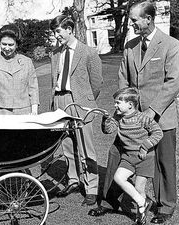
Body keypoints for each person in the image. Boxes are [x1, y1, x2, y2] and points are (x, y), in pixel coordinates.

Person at [89, 1, 179, 224]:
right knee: (117, 153)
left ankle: (165, 206)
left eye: (134, 20)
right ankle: (112, 199)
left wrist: (151, 111)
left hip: (160, 116)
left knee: (162, 162)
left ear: (148, 19)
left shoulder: (171, 45)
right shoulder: (130, 46)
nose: (131, 24)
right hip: (131, 116)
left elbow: (173, 82)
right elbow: (123, 76)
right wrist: (125, 105)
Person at [49, 15, 103, 206]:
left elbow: (96, 82)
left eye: (58, 31)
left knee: (86, 147)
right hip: (60, 101)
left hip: (80, 102)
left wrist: (86, 101)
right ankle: (73, 180)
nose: (56, 36)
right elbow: (54, 80)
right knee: (67, 145)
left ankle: (91, 188)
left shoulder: (88, 52)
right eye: (54, 32)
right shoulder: (55, 53)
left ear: (70, 29)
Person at [102, 87, 163, 225]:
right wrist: (106, 119)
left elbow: (158, 133)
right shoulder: (118, 117)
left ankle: (140, 216)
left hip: (144, 158)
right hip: (128, 157)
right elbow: (108, 130)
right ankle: (143, 202)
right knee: (118, 177)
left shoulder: (142, 118)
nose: (115, 105)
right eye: (115, 102)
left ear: (130, 104)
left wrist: (145, 146)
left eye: (118, 102)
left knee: (139, 188)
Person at [0, 24, 39, 117]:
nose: (7, 48)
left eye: (11, 45)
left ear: (17, 44)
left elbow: (33, 88)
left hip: (25, 111)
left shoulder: (27, 61)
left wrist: (34, 111)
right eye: (4, 44)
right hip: (1, 112)